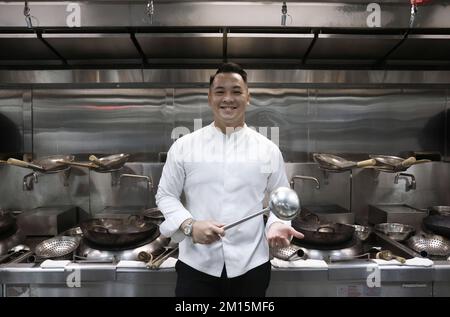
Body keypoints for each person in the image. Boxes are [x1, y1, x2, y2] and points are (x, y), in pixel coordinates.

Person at [156, 62, 303, 297]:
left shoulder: (267, 149)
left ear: (247, 97)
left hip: (251, 265)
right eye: (220, 91)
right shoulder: (184, 146)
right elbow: (165, 195)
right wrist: (189, 225)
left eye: (236, 91)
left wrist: (278, 223)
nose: (228, 98)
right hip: (196, 266)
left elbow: (280, 198)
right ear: (209, 97)